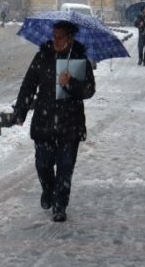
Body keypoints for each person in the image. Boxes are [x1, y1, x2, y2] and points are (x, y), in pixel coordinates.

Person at [13, 20, 96, 222]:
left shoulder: (80, 59)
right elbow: (29, 84)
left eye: (59, 37)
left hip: (70, 123)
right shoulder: (42, 56)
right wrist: (20, 111)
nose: (55, 40)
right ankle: (47, 190)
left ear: (70, 38)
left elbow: (89, 90)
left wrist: (70, 84)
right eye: (54, 36)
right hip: (44, 120)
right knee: (43, 165)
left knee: (65, 168)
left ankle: (60, 205)